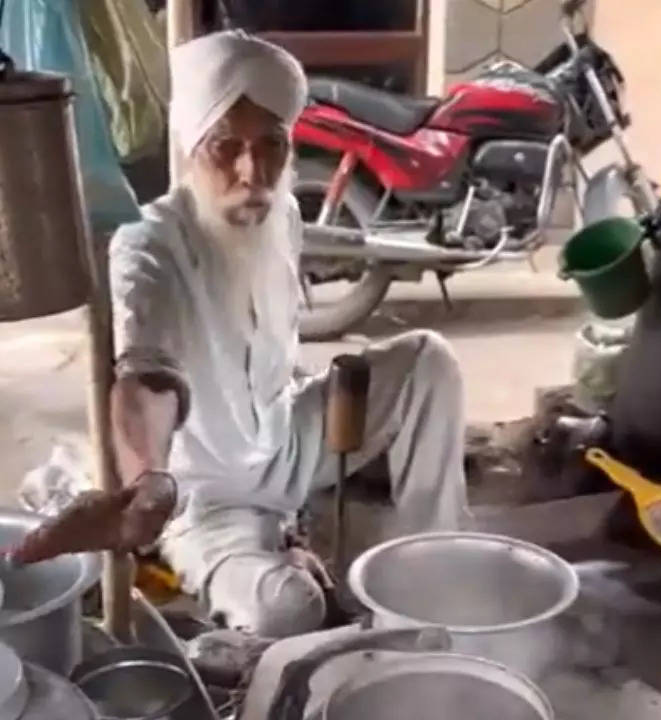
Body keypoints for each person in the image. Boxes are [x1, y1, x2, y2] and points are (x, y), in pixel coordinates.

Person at [8, 31, 469, 639]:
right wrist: (151, 479)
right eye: (226, 147)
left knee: (427, 362)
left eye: (271, 145)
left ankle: (433, 572)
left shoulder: (285, 213)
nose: (253, 171)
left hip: (287, 443)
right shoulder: (148, 244)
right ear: (192, 147)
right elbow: (146, 375)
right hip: (204, 493)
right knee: (287, 609)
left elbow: (274, 361)